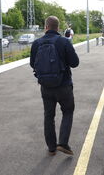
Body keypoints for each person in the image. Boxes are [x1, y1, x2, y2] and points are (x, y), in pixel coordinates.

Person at [30, 16, 79, 156]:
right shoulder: (64, 41)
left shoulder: (36, 43)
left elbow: (33, 64)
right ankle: (63, 143)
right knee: (68, 112)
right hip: (64, 86)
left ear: (46, 27)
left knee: (48, 116)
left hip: (45, 87)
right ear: (58, 28)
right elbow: (75, 63)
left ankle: (51, 148)